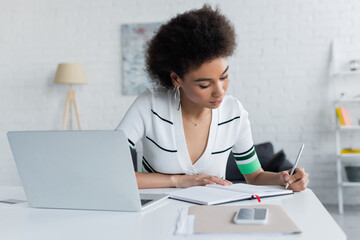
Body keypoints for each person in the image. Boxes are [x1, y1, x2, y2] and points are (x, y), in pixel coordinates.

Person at [116, 5, 309, 191]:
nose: (220, 91)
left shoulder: (234, 113)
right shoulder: (150, 106)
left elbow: (255, 176)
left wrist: (284, 178)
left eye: (224, 77)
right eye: (204, 84)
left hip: (213, 216)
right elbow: (112, 171)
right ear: (176, 79)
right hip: (157, 217)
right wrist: (178, 180)